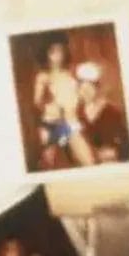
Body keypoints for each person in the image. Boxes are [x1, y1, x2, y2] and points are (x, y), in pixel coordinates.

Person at [33, 36, 95, 169]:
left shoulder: (70, 74)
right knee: (48, 165)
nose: (57, 55)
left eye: (60, 51)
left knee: (88, 162)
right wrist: (51, 106)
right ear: (46, 54)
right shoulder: (43, 76)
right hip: (53, 122)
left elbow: (79, 97)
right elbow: (37, 102)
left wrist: (85, 95)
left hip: (71, 121)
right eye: (53, 52)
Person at [74, 62, 129, 163]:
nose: (86, 92)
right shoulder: (77, 112)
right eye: (82, 88)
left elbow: (128, 143)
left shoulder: (111, 111)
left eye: (89, 88)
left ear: (97, 88)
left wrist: (115, 152)